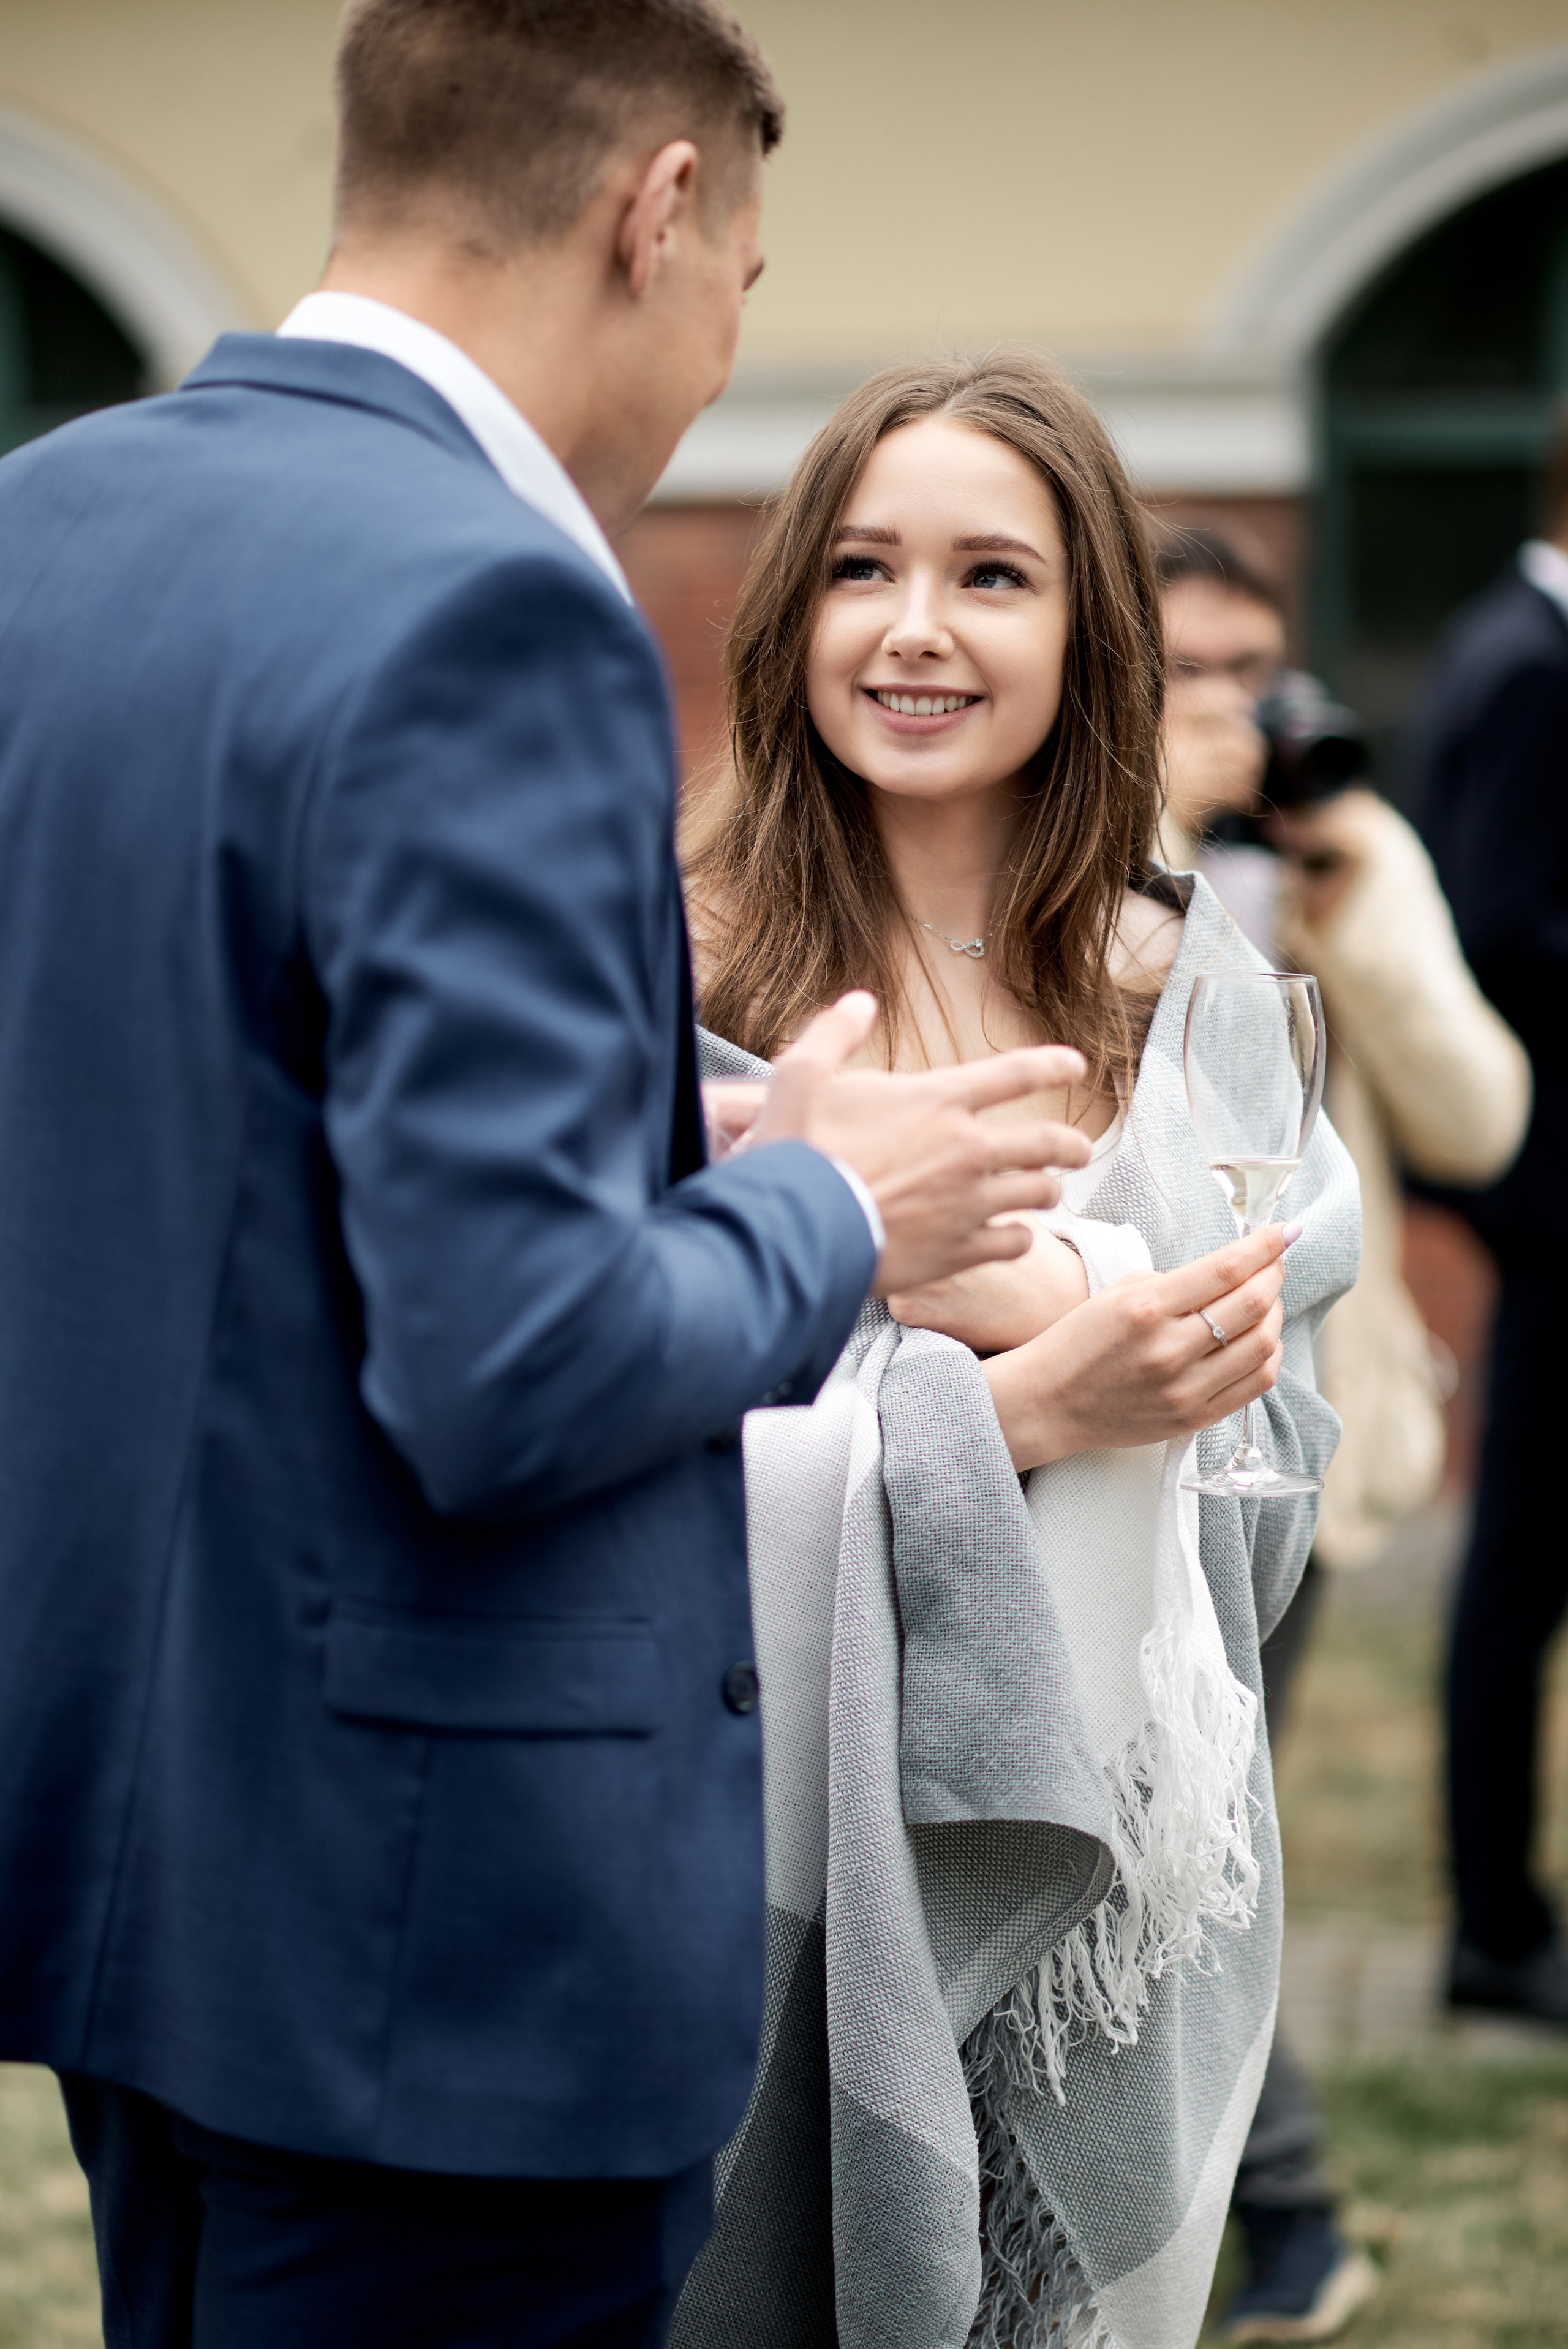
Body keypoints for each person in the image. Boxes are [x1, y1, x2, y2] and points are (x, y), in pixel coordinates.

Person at [0, 8, 1101, 2346]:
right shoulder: (492, 603)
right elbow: (507, 1374)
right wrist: (832, 1215)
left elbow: (172, 1099)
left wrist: (652, 1127)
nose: (723, 356)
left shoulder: (46, 519)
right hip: (431, 1946)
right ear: (657, 206)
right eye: (745, 280)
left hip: (133, 1849)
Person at [671, 355, 1362, 2349]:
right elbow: (625, 1405)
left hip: (1106, 1862)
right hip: (751, 1834)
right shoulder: (674, 962)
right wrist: (1037, 1376)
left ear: (1090, 633)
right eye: (863, 568)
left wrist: (1056, 1312)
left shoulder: (1189, 984)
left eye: (992, 576)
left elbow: (1272, 1441)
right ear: (791, 603)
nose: (913, 629)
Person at [1158, 528, 1530, 2342]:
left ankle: (1291, 2215)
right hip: (1116, 1409)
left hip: (1280, 1433)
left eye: (1256, 673)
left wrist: (1356, 898)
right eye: (1188, 676)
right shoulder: (1086, 850)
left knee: (1197, 1831)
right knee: (1177, 1838)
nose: (1236, 713)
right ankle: (1286, 2207)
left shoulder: (1335, 864)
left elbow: (1479, 1111)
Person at [1407, 428, 1568, 2027]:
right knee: (1517, 1561)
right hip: (1556, 1186)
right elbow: (1501, 917)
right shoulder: (1530, 662)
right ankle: (1495, 1929)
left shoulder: (1514, 641)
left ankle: (1507, 1917)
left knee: (1524, 1554)